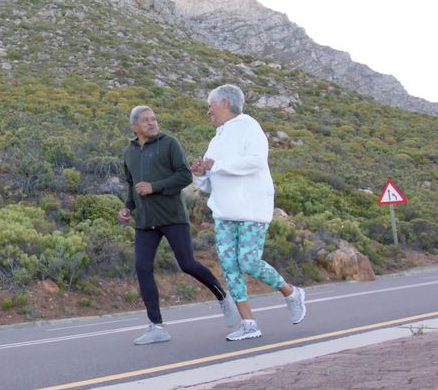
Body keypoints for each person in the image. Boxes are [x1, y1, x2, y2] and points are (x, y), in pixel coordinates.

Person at [191, 84, 306, 341]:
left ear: (225, 103)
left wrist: (217, 165)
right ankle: (249, 323)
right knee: (230, 267)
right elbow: (210, 183)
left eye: (211, 104)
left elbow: (256, 160)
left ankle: (291, 292)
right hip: (223, 211)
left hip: (251, 209)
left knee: (249, 262)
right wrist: (199, 175)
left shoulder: (248, 126)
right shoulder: (216, 138)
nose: (208, 110)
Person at [118, 105, 239, 345]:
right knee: (142, 268)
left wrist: (155, 187)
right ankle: (157, 327)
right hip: (145, 222)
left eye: (154, 118)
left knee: (187, 264)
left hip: (172, 216)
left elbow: (184, 176)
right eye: (145, 120)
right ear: (135, 127)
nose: (152, 123)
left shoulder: (169, 143)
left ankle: (224, 298)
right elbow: (132, 186)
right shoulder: (129, 153)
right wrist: (127, 208)